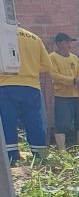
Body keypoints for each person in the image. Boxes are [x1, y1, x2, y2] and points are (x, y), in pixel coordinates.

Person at [0, 27, 54, 165]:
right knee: (34, 121)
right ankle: (40, 155)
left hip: (6, 85)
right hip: (32, 87)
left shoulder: (2, 34)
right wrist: (30, 69)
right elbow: (47, 65)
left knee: (8, 122)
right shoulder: (34, 37)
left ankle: (12, 158)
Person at [47, 33, 79, 148]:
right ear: (58, 44)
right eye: (66, 42)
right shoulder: (52, 57)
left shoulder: (74, 58)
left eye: (70, 42)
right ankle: (62, 149)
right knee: (63, 123)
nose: (69, 45)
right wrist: (72, 81)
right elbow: (54, 75)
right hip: (63, 95)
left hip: (78, 94)